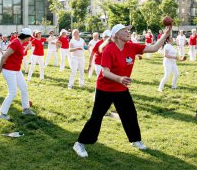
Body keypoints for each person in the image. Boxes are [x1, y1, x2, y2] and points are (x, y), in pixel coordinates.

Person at [72, 23, 171, 158]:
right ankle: (80, 144)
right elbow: (105, 72)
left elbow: (153, 48)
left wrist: (165, 34)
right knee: (96, 118)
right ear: (116, 35)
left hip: (121, 88)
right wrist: (119, 78)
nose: (128, 32)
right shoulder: (109, 49)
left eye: (128, 30)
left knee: (130, 114)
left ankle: (135, 140)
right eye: (125, 30)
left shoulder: (131, 46)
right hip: (105, 88)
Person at [0, 28, 35, 120]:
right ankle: (2, 114)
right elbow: (4, 56)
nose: (29, 39)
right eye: (29, 37)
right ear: (25, 36)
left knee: (24, 88)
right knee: (13, 92)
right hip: (9, 70)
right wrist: (0, 69)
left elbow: (20, 53)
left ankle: (25, 109)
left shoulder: (20, 43)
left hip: (16, 70)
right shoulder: (15, 43)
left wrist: (26, 48)